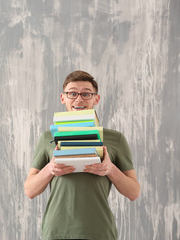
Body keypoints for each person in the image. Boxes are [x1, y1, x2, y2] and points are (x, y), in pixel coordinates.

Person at [24, 70, 140, 240]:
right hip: (56, 232)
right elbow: (29, 190)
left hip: (99, 232)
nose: (79, 99)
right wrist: (50, 169)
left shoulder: (115, 139)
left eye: (86, 94)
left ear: (96, 99)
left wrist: (110, 169)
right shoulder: (47, 137)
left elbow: (134, 192)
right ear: (63, 98)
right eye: (72, 93)